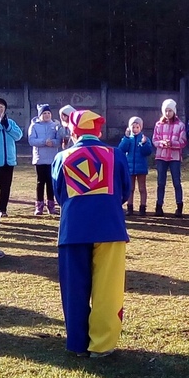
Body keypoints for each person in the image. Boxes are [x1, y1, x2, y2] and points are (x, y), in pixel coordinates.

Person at [52, 110, 130, 357]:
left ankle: (77, 343)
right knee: (108, 289)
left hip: (72, 229)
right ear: (98, 131)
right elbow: (125, 191)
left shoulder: (61, 157)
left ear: (72, 132)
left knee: (74, 287)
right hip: (110, 227)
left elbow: (58, 193)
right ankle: (102, 345)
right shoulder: (116, 155)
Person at [152, 98, 187, 216]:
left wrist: (172, 144)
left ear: (174, 111)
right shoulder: (158, 124)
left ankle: (179, 206)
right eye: (166, 111)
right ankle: (159, 206)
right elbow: (155, 140)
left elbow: (183, 142)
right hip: (161, 157)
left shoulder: (180, 125)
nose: (168, 113)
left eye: (170, 111)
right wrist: (162, 143)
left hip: (174, 158)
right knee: (161, 182)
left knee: (176, 182)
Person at [28, 104, 61, 215]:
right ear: (40, 115)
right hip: (40, 159)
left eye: (48, 113)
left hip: (52, 159)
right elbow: (31, 140)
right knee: (40, 183)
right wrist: (44, 142)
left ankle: (51, 206)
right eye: (44, 113)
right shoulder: (34, 126)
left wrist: (53, 143)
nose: (47, 115)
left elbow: (59, 140)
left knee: (51, 183)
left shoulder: (55, 125)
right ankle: (39, 206)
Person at [118, 116, 154, 215]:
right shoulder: (128, 139)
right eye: (133, 127)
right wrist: (125, 138)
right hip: (129, 168)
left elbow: (148, 152)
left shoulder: (145, 139)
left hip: (141, 167)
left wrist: (144, 144)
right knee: (130, 188)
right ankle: (130, 207)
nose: (135, 129)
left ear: (141, 127)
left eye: (137, 127)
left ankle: (143, 207)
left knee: (142, 188)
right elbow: (121, 149)